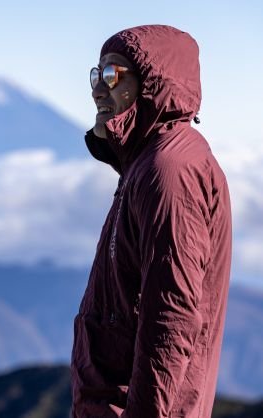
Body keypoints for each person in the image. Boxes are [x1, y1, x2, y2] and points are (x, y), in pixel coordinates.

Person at [70, 24, 232, 418]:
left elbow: (171, 316)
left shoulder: (171, 169)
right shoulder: (144, 164)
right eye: (97, 75)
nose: (97, 89)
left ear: (151, 84)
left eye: (112, 75)